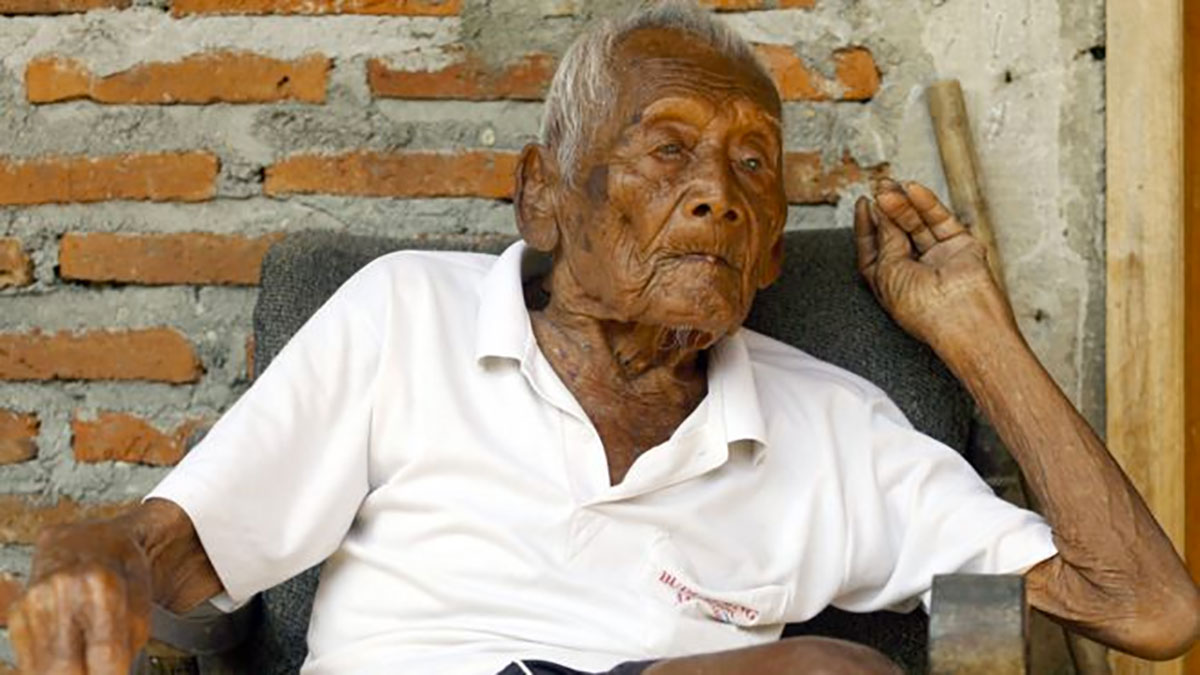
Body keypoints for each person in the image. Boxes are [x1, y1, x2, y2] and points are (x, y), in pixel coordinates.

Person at [8, 3, 1198, 674]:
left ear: (774, 251)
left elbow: (1151, 610)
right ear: (544, 196)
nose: (715, 196)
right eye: (666, 149)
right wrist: (81, 552)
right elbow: (170, 551)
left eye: (750, 172)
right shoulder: (402, 314)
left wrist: (971, 327)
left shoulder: (830, 427)